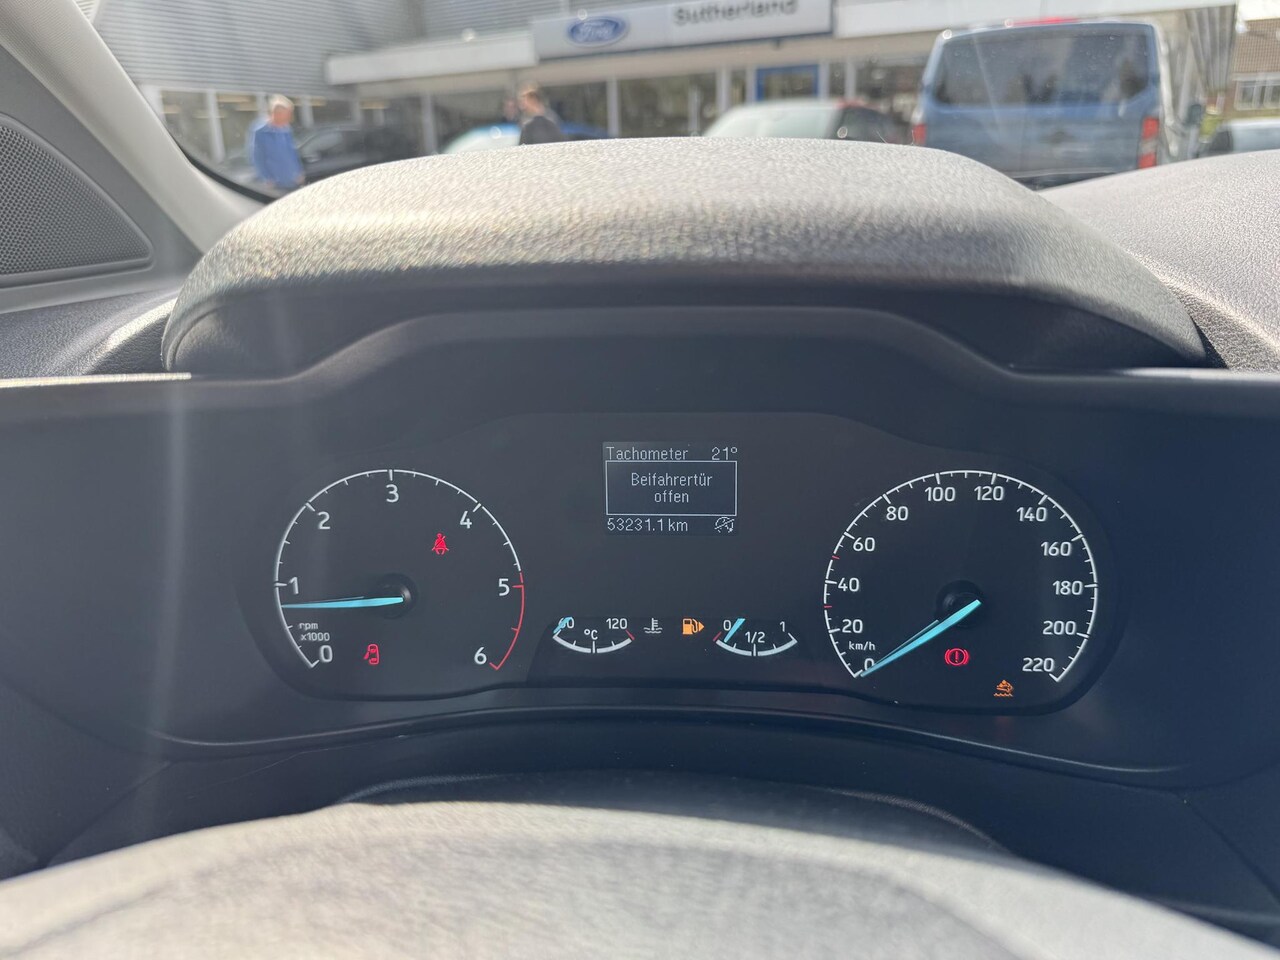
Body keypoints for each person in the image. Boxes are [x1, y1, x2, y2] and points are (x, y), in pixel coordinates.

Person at [250, 95, 305, 192]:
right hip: (276, 184)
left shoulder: (287, 130)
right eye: (287, 114)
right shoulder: (261, 132)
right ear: (277, 114)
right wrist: (267, 178)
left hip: (293, 180)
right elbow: (258, 158)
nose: (290, 118)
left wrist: (298, 172)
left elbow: (292, 153)